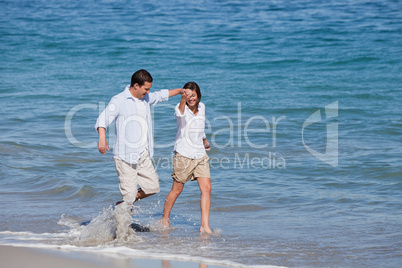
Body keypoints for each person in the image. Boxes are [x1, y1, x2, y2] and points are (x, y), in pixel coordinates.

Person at [95, 69, 184, 208]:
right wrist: (102, 138)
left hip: (143, 154)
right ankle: (123, 227)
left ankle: (124, 204)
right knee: (128, 197)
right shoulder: (119, 100)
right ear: (136, 85)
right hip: (125, 157)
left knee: (153, 187)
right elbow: (103, 119)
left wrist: (179, 91)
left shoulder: (146, 98)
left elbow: (161, 95)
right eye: (146, 89)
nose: (148, 92)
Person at [162, 81, 213, 233]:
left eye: (193, 95)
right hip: (183, 154)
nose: (191, 98)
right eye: (188, 95)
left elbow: (200, 126)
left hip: (200, 154)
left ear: (198, 96)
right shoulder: (180, 109)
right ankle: (165, 218)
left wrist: (204, 140)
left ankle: (204, 226)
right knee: (177, 189)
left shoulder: (202, 107)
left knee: (207, 188)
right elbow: (180, 113)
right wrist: (182, 98)